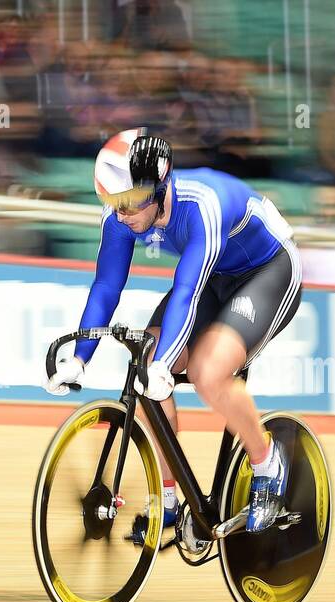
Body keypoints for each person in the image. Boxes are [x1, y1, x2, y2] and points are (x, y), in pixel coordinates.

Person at [44, 128, 301, 536]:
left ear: (158, 187)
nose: (121, 214)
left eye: (127, 203)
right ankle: (166, 498)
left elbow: (187, 290)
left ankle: (268, 463)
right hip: (216, 275)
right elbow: (107, 287)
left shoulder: (202, 204)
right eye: (111, 203)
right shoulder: (122, 216)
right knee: (145, 364)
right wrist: (80, 357)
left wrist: (165, 363)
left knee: (208, 372)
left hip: (268, 271)